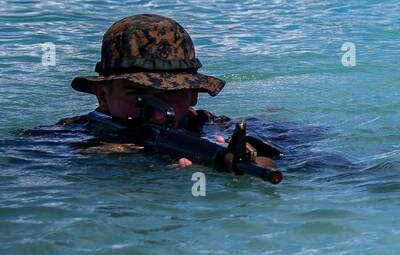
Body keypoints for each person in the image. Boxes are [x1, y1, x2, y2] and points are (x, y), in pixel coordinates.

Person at [60, 14, 278, 166]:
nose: (157, 113)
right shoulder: (66, 139)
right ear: (103, 96)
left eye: (171, 93)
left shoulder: (216, 130)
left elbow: (297, 165)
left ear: (193, 94)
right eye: (137, 94)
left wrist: (240, 162)